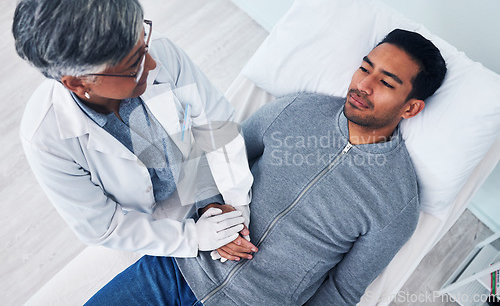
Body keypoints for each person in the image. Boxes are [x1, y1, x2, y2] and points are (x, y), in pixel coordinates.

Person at [85, 28, 447, 305]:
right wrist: (211, 209)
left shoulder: (396, 203)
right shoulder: (297, 111)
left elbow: (341, 290)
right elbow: (217, 152)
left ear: (411, 107)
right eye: (365, 68)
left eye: (385, 82)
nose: (363, 85)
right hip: (177, 268)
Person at [14, 0, 255, 258]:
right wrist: (190, 238)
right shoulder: (45, 137)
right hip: (151, 223)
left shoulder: (161, 53)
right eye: (133, 64)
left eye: (143, 42)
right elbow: (103, 225)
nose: (152, 63)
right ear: (78, 83)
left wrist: (231, 205)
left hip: (198, 179)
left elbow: (215, 126)